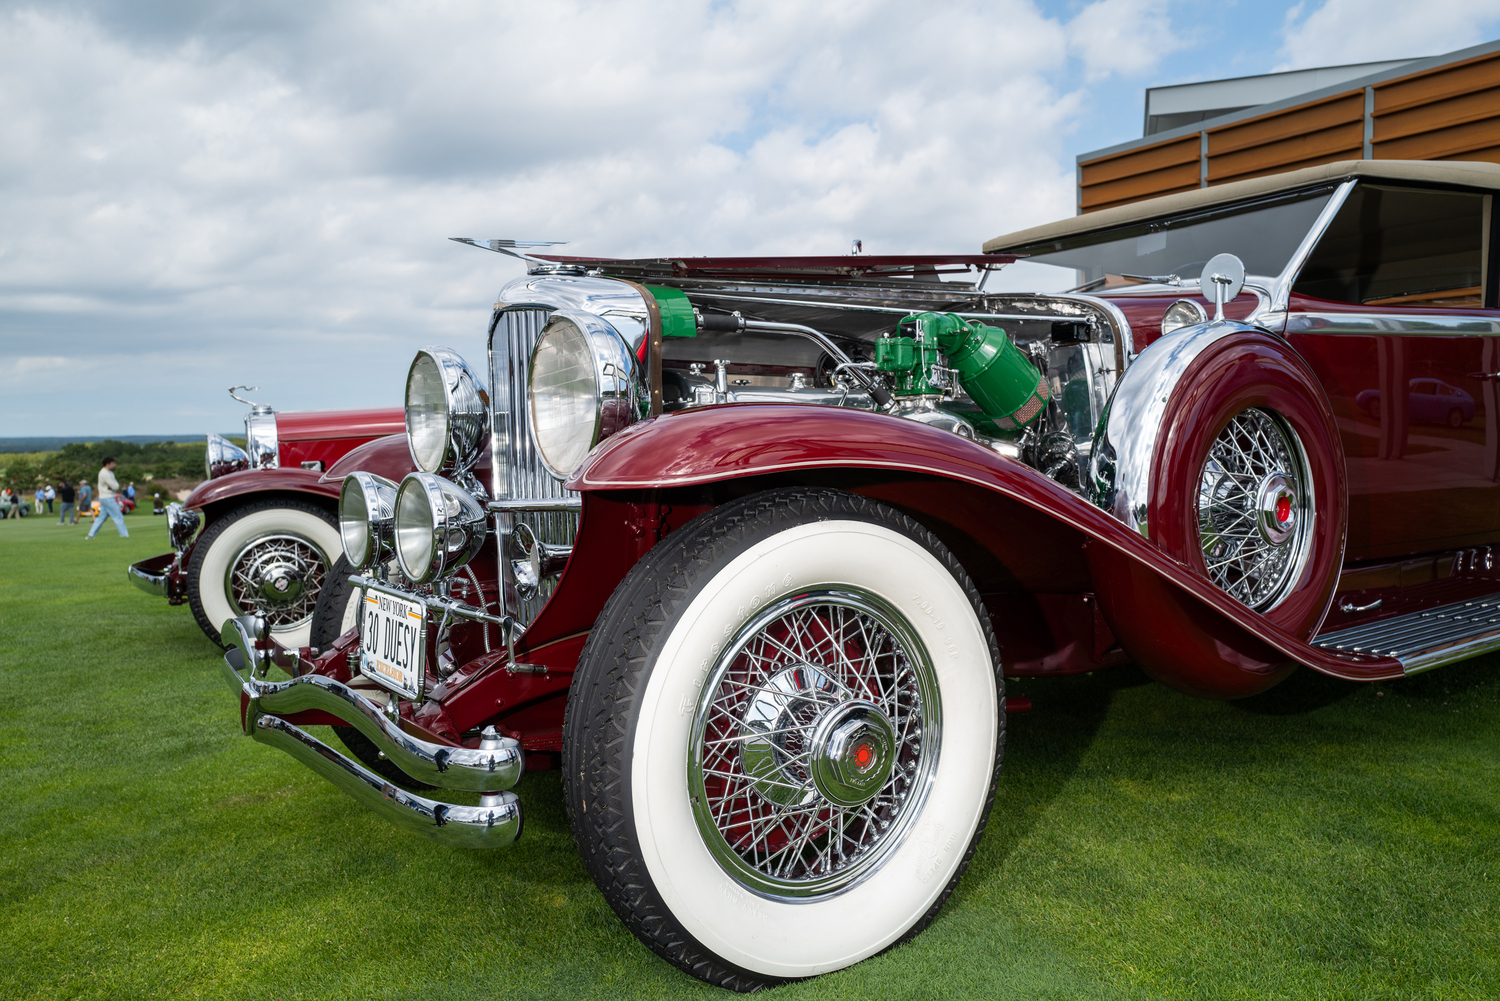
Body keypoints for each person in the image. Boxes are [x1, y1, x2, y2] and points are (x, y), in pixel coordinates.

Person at [85, 457, 129, 539]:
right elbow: (115, 486)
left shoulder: (110, 473)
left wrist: (114, 486)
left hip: (105, 498)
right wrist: (114, 486)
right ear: (107, 464)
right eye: (113, 463)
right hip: (107, 498)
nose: (115, 465)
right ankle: (124, 536)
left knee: (101, 518)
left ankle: (90, 535)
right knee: (119, 517)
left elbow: (115, 486)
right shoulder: (104, 473)